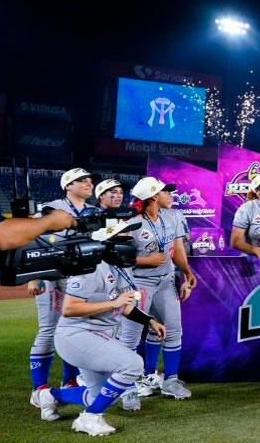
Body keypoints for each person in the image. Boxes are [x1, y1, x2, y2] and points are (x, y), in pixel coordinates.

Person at [31, 223, 167, 435]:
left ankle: (49, 396)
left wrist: (149, 321)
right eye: (123, 238)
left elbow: (123, 304)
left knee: (99, 395)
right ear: (106, 243)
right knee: (132, 365)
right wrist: (113, 304)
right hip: (75, 336)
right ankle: (89, 418)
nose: (130, 241)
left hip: (96, 336)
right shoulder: (90, 269)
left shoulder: (118, 267)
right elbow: (69, 309)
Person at [118, 177, 195, 410]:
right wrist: (145, 260)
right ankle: (128, 387)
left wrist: (186, 272)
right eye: (165, 192)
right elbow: (120, 259)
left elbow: (177, 249)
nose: (170, 195)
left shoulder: (171, 217)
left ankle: (170, 380)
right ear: (153, 197)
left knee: (174, 329)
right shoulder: (131, 224)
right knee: (130, 337)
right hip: (139, 283)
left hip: (166, 281)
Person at [28, 168, 100, 403]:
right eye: (82, 180)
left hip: (81, 276)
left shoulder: (94, 211)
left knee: (75, 329)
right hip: (53, 275)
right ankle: (39, 387)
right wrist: (35, 275)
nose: (88, 183)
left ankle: (69, 379)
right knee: (49, 329)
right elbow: (33, 239)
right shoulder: (51, 208)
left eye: (90, 180)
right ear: (67, 186)